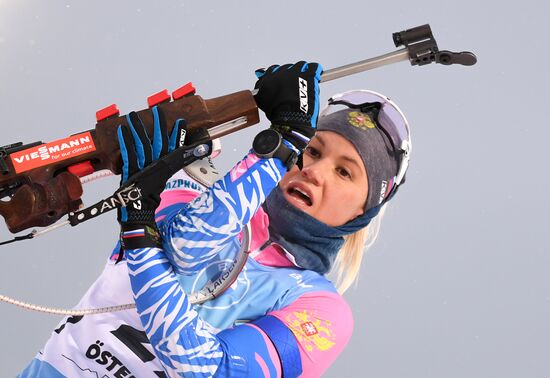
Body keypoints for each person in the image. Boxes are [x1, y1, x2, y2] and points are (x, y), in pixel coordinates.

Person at [19, 61, 411, 377]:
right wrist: (282, 144)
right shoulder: (196, 190)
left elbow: (208, 370)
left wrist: (141, 232)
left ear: (364, 210)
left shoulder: (321, 309)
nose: (315, 171)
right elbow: (183, 251)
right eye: (312, 150)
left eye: (345, 172)